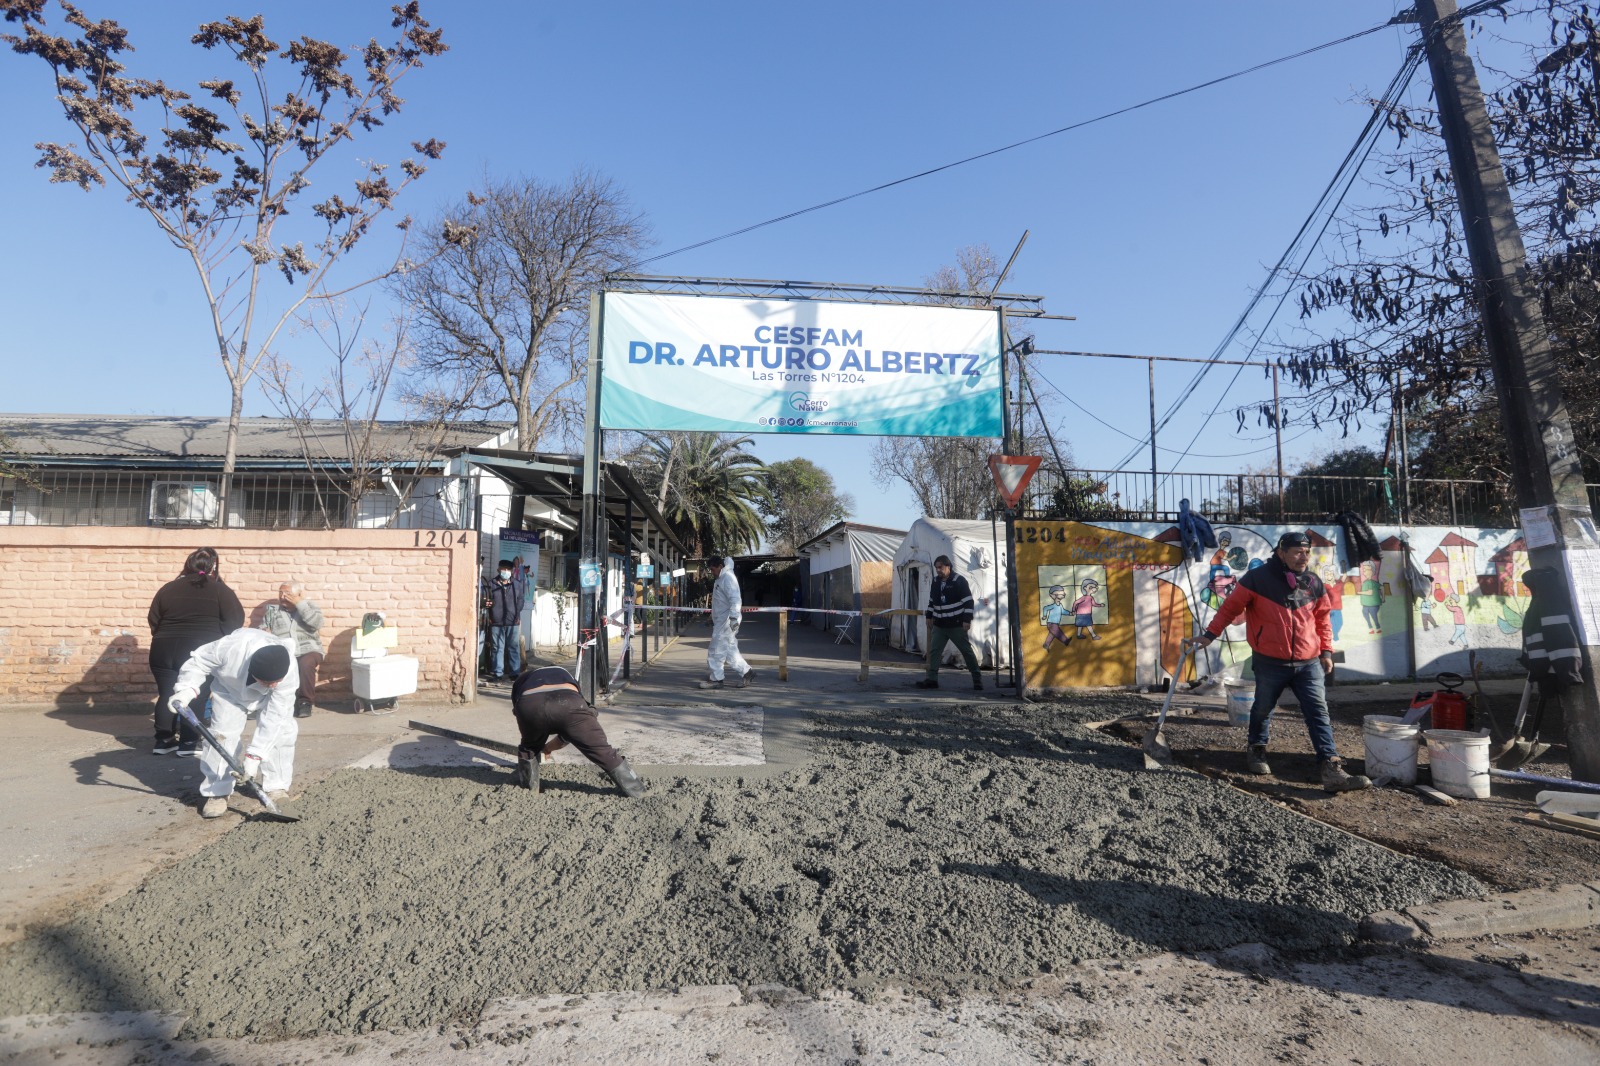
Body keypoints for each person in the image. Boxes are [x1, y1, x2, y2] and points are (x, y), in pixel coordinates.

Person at [1195, 531, 1370, 793]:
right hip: (1269, 661)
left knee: (1318, 712)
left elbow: (1323, 619)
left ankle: (1331, 767)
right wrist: (1209, 635)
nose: (1304, 557)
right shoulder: (1257, 579)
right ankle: (1256, 749)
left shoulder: (1312, 582)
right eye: (1298, 552)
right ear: (1282, 552)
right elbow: (1230, 608)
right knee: (1263, 708)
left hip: (1308, 663)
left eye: (1307, 552)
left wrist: (1326, 652)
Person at [169, 628, 298, 818]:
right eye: (266, 681)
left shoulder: (289, 672)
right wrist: (186, 689)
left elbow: (275, 717)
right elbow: (198, 662)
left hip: (271, 700)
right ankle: (217, 792)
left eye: (276, 682)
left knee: (282, 732)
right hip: (229, 691)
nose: (272, 684)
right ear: (252, 670)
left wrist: (254, 756)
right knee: (222, 736)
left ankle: (276, 787)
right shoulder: (229, 649)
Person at [147, 547, 244, 756]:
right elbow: (235, 622)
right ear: (212, 568)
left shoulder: (168, 588)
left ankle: (164, 741)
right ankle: (189, 744)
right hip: (199, 649)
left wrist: (163, 634)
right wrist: (220, 642)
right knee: (196, 694)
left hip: (163, 647)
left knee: (166, 693)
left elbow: (153, 619)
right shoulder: (220, 590)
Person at [509, 666, 645, 797]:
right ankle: (638, 791)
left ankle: (528, 791)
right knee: (604, 752)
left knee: (528, 749)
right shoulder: (565, 674)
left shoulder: (522, 679)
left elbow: (518, 710)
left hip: (531, 704)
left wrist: (540, 745)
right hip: (569, 702)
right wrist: (549, 748)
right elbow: (571, 732)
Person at [914, 554, 983, 691]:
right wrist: (929, 615)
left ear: (948, 566)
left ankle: (977, 680)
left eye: (940, 567)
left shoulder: (959, 581)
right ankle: (932, 680)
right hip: (940, 625)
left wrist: (966, 620)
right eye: (936, 568)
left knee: (966, 651)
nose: (938, 570)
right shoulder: (935, 581)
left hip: (956, 625)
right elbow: (932, 601)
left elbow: (968, 602)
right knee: (934, 651)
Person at [266, 580, 324, 718]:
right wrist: (264, 631)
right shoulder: (272, 610)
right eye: (280, 593)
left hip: (309, 649)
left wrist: (300, 604)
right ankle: (278, 702)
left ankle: (305, 702)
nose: (283, 596)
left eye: (287, 593)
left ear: (298, 594)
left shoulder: (309, 606)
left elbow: (317, 623)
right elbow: (263, 629)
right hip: (284, 650)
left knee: (306, 663)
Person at [700, 555, 756, 689]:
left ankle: (716, 679)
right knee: (730, 651)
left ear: (720, 566)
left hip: (727, 622)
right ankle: (747, 672)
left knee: (716, 650)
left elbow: (736, 601)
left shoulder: (728, 578)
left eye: (713, 569)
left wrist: (733, 619)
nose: (712, 572)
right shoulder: (721, 578)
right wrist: (712, 618)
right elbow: (720, 602)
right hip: (723, 621)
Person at [481, 557, 528, 683]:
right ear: (498, 569)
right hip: (496, 621)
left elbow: (521, 600)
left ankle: (514, 673)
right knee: (497, 648)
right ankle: (497, 673)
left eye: (508, 569)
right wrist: (488, 606)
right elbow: (487, 600)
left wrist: (516, 613)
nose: (505, 571)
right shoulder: (491, 584)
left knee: (513, 647)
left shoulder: (516, 584)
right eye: (503, 569)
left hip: (513, 621)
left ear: (512, 571)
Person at [1359, 561, 1384, 634]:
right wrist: (1383, 598)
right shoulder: (1369, 582)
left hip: (1372, 604)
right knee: (1365, 613)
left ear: (1371, 571)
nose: (1364, 571)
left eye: (1366, 569)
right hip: (1366, 604)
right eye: (1363, 570)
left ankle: (1377, 628)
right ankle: (1371, 628)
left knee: (1373, 615)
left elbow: (1370, 592)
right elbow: (1382, 587)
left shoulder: (1369, 582)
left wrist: (1359, 592)